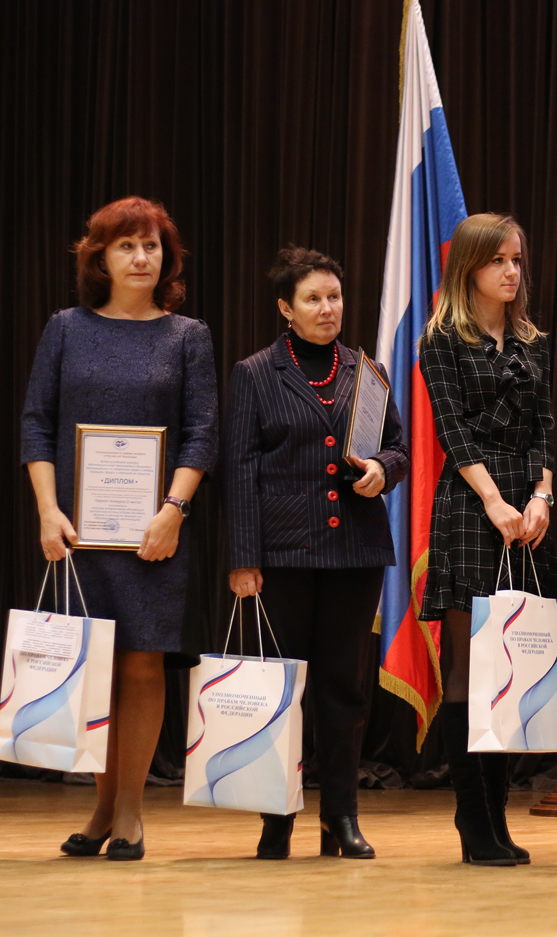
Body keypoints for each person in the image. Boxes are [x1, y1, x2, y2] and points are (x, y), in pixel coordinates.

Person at [21, 196, 219, 861]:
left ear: (167, 257)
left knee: (142, 662)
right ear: (99, 258)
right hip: (79, 530)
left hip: (155, 531)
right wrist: (47, 510)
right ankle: (104, 806)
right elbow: (36, 424)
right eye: (126, 246)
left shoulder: (188, 335)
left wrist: (173, 511)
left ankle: (130, 809)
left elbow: (202, 432)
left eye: (152, 245)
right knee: (95, 665)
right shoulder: (66, 328)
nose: (141, 257)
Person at [226, 247, 409, 860]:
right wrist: (243, 558)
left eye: (334, 296)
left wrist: (382, 471)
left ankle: (340, 818)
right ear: (286, 308)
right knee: (281, 688)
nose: (327, 308)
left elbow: (398, 448)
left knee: (344, 688)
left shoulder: (367, 371)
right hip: (282, 555)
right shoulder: (256, 373)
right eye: (313, 299)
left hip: (353, 551)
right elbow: (239, 470)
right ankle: (275, 819)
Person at [418, 213, 557, 867]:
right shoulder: (441, 339)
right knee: (467, 670)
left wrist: (540, 496)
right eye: (498, 259)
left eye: (517, 259)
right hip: (472, 504)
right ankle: (473, 818)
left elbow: (546, 428)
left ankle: (498, 815)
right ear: (468, 267)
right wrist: (495, 500)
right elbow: (451, 429)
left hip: (527, 511)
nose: (511, 271)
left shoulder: (532, 341)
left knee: (511, 664)